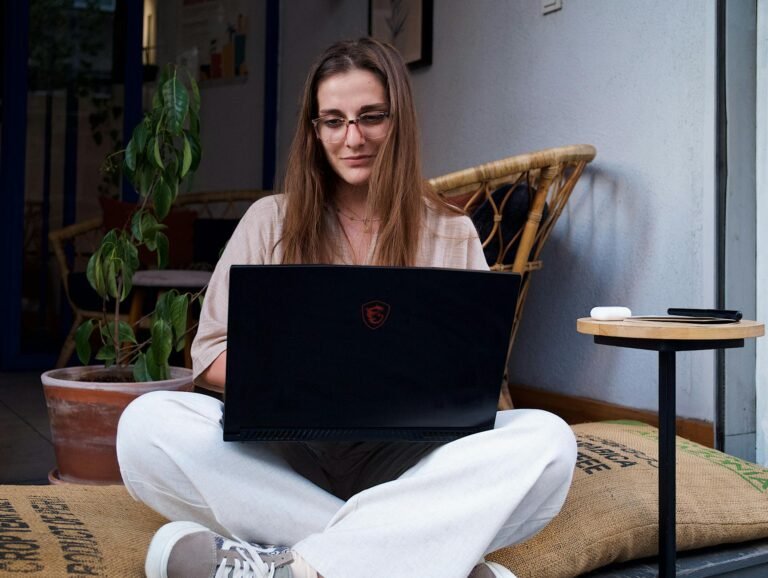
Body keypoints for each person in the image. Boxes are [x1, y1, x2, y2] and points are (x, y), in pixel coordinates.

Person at [116, 37, 577, 578]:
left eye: (370, 117)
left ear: (398, 120)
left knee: (549, 441)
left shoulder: (451, 233)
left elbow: (476, 374)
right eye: (332, 121)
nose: (351, 138)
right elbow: (210, 353)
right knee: (145, 424)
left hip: (410, 459)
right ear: (314, 132)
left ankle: (295, 567)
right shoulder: (270, 220)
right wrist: (311, 376)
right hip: (287, 452)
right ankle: (416, 558)